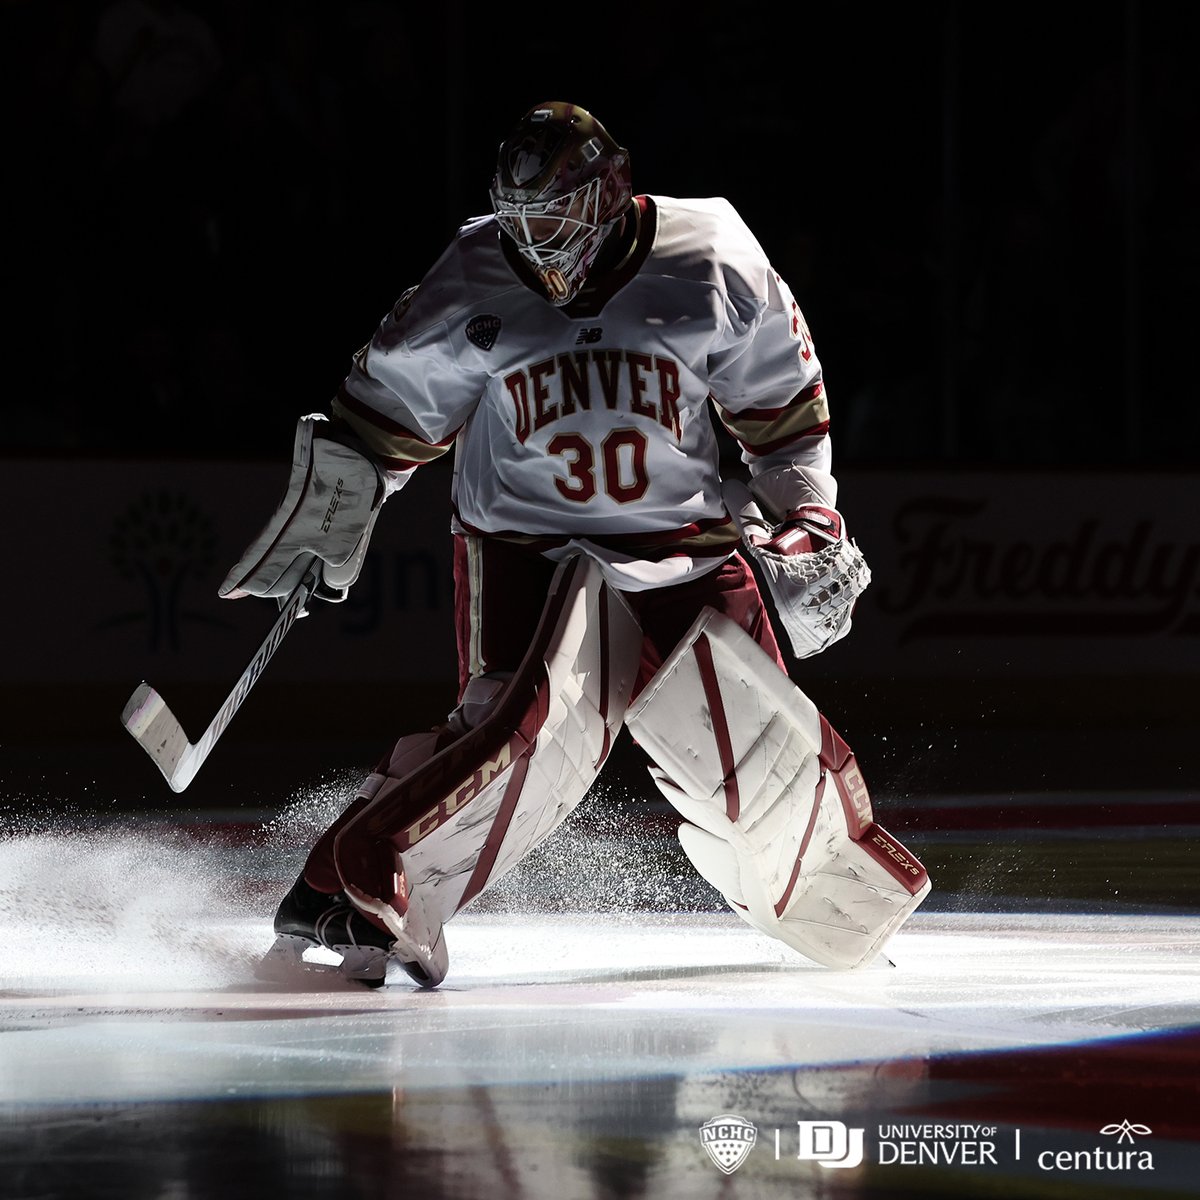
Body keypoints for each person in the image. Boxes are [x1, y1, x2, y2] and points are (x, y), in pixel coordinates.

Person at [222, 101, 929, 988]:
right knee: (506, 734)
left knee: (757, 750)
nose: (537, 242)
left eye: (555, 217)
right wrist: (329, 514)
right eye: (522, 221)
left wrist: (807, 516)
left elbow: (782, 418)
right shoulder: (478, 267)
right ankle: (338, 890)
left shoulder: (709, 254)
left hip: (684, 544)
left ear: (614, 187)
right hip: (526, 548)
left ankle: (833, 898)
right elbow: (386, 416)